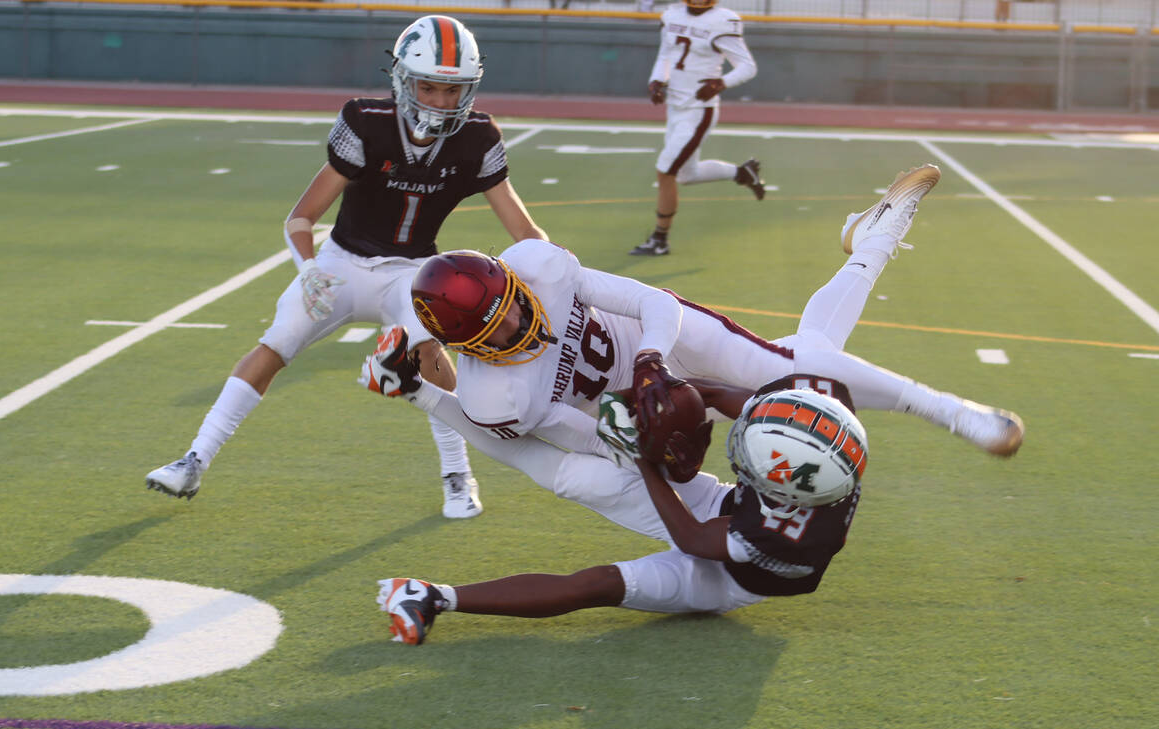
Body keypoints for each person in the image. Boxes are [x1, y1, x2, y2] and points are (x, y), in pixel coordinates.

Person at [144, 15, 547, 518]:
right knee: (277, 341)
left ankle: (457, 475)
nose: (442, 101)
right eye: (430, 87)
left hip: (414, 271)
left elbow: (525, 231)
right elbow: (301, 218)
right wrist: (309, 268)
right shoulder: (366, 121)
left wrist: (556, 272)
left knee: (428, 347)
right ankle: (194, 459)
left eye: (453, 90)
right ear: (403, 80)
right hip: (341, 263)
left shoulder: (479, 136)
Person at [408, 164, 1023, 482]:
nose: (519, 321)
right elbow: (593, 443)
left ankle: (948, 410)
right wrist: (650, 446)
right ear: (467, 349)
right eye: (499, 330)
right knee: (805, 359)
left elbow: (656, 304)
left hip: (668, 340)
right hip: (645, 405)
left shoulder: (538, 266)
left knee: (798, 374)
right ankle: (873, 239)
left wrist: (650, 360)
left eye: (513, 303)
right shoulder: (496, 397)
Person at [373, 372, 868, 645]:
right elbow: (708, 393)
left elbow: (693, 540)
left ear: (786, 490)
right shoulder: (817, 427)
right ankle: (416, 386)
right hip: (728, 511)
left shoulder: (794, 535)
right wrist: (648, 403)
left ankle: (431, 596)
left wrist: (642, 455)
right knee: (583, 476)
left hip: (730, 577)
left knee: (594, 583)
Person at [629, 0, 764, 257]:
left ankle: (660, 239)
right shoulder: (672, 14)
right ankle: (742, 173)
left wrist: (720, 83)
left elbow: (748, 66)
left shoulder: (722, 20)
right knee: (685, 176)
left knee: (665, 171)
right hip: (675, 107)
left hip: (698, 110)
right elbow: (666, 55)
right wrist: (657, 81)